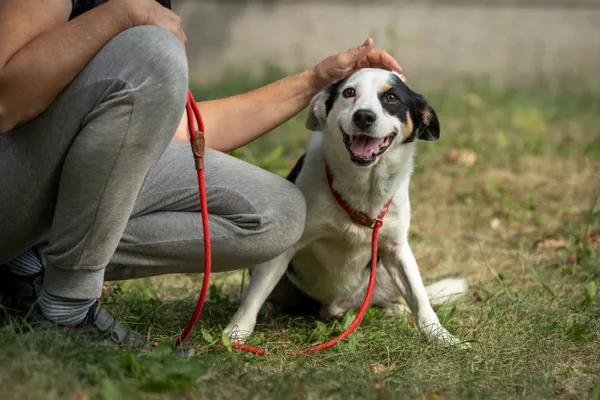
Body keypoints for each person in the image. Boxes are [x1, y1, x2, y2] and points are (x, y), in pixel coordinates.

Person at [0, 0, 404, 347]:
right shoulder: (130, 10)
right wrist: (123, 13)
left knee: (278, 215)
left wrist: (317, 81)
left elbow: (166, 127)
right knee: (151, 49)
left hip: (47, 184)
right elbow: (5, 101)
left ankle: (28, 267)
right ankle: (67, 306)